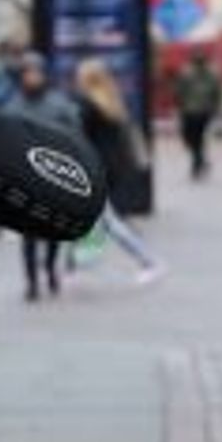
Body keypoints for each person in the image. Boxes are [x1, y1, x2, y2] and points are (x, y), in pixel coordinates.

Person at [71, 57, 166, 282]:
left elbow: (80, 138)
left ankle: (149, 262)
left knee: (108, 222)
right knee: (88, 217)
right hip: (111, 167)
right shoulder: (110, 101)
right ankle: (72, 267)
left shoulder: (88, 105)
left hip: (95, 169)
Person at [4, 50, 81, 299]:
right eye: (28, 72)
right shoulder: (13, 106)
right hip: (26, 178)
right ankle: (31, 282)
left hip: (54, 176)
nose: (32, 77)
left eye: (36, 72)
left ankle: (49, 268)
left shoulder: (59, 104)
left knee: (52, 229)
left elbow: (75, 135)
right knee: (28, 233)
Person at [171, 48, 222, 178]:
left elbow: (217, 92)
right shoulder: (186, 73)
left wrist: (215, 107)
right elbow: (179, 91)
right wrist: (179, 104)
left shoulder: (211, 74)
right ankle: (200, 160)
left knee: (196, 138)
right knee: (191, 138)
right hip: (191, 111)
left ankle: (197, 162)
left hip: (200, 111)